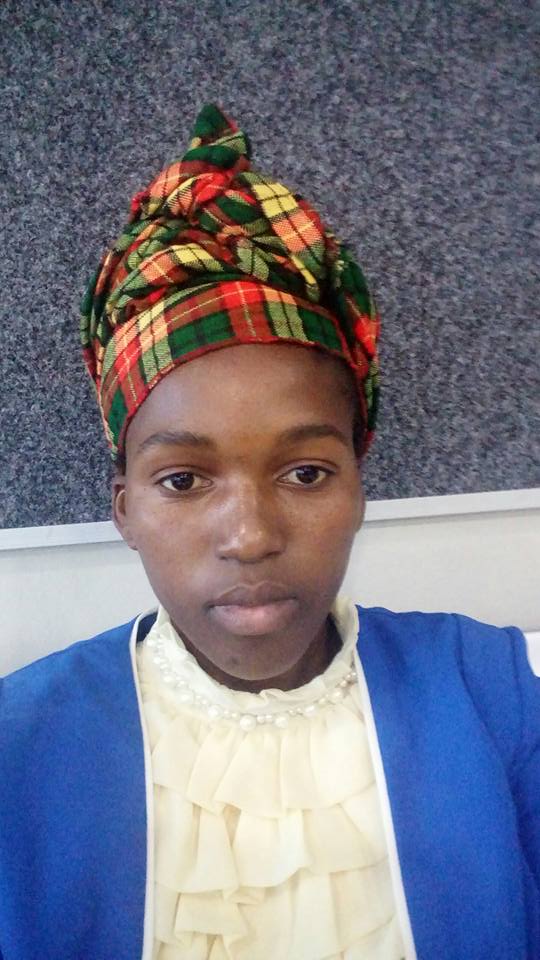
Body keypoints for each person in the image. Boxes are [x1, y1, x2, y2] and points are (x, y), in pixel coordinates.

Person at [0, 105, 538, 960]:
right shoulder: (18, 743)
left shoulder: (495, 691)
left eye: (306, 474)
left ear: (359, 486)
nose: (250, 537)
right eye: (183, 480)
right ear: (124, 510)